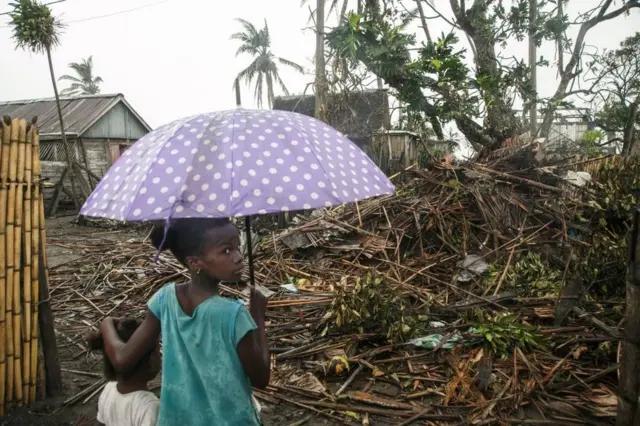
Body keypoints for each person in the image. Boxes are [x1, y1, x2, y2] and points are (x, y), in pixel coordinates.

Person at [99, 218, 270, 426]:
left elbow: (121, 359)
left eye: (237, 247)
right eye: (226, 250)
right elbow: (261, 379)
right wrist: (258, 316)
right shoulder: (233, 315)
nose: (239, 258)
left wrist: (106, 323)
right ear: (195, 261)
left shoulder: (164, 299)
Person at [87, 318, 160, 426]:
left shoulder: (108, 390)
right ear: (152, 361)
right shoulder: (151, 407)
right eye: (158, 351)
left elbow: (101, 423)